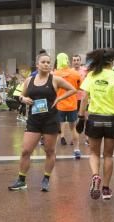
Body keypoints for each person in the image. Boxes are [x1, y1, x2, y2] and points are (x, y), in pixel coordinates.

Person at [9, 53, 79, 192]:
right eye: (43, 62)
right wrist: (24, 99)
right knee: (25, 151)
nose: (46, 64)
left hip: (50, 120)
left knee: (49, 151)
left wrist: (59, 99)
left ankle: (46, 178)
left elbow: (72, 89)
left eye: (48, 62)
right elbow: (21, 95)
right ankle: (21, 180)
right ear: (37, 64)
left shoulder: (55, 79)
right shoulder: (29, 80)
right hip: (34, 120)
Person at [78, 48, 114, 200]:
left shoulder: (92, 75)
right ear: (112, 61)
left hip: (94, 118)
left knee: (94, 153)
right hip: (112, 119)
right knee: (108, 155)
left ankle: (95, 176)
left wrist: (80, 117)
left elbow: (84, 98)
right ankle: (105, 188)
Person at [53, 52, 83, 159]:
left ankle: (54, 152)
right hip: (72, 105)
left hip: (59, 105)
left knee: (57, 130)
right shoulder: (75, 74)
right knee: (73, 128)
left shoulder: (54, 74)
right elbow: (80, 87)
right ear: (67, 60)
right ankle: (76, 149)